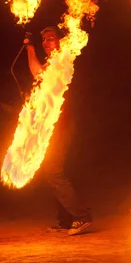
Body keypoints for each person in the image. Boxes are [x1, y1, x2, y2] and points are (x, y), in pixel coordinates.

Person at [23, 25, 92, 236]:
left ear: (61, 41)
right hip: (53, 125)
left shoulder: (63, 60)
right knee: (53, 173)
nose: (46, 42)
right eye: (43, 40)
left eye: (50, 38)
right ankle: (65, 220)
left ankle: (81, 217)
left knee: (53, 172)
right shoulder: (54, 61)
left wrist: (29, 47)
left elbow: (37, 73)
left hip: (61, 125)